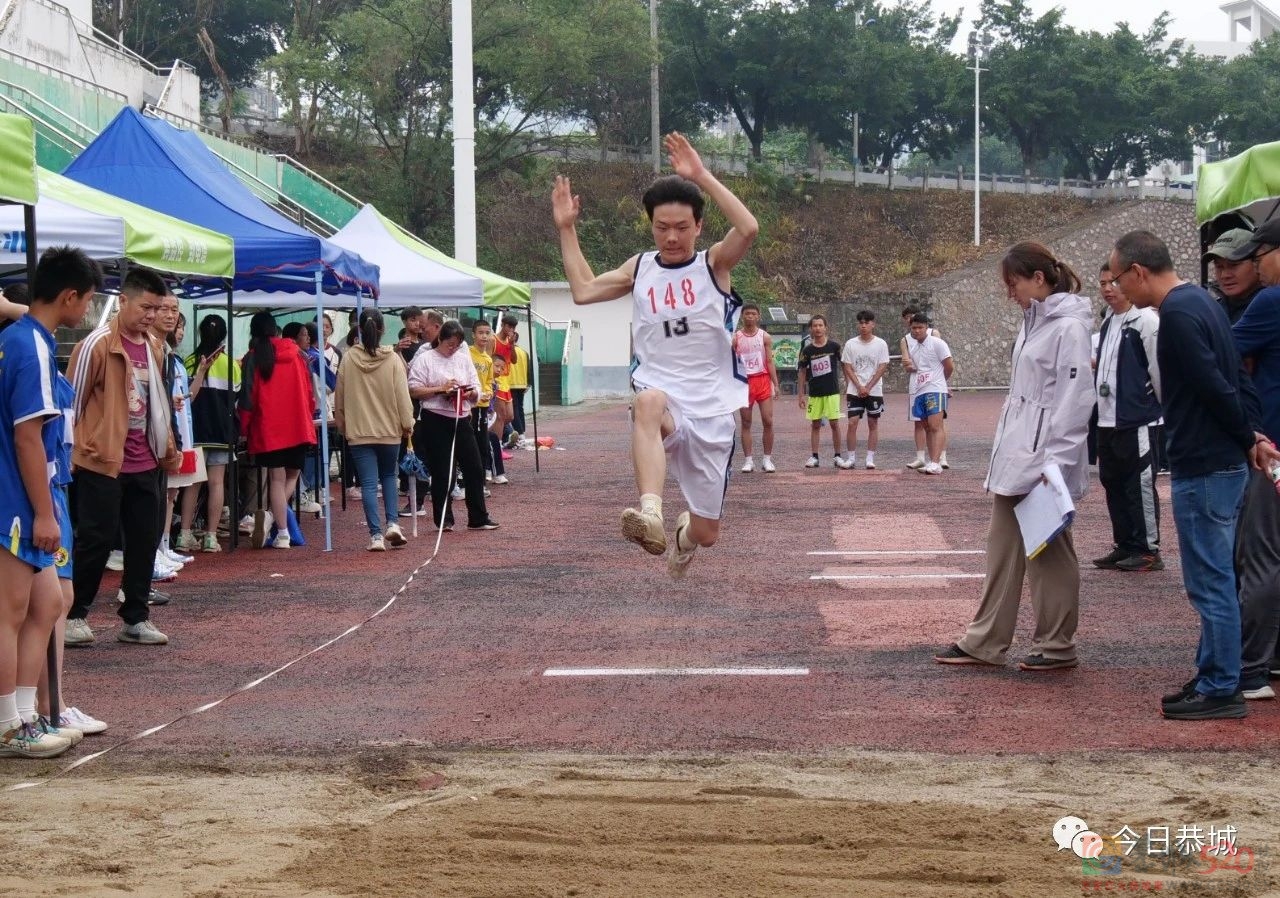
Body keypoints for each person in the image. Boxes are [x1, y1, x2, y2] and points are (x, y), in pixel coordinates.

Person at [552, 131, 759, 578]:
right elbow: (584, 290)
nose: (671, 237)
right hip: (663, 393)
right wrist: (567, 228)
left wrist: (701, 174)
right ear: (650, 225)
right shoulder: (640, 267)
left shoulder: (713, 265)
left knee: (708, 533)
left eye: (682, 228)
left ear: (699, 227)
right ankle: (651, 513)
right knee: (646, 402)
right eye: (661, 227)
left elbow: (749, 229)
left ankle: (684, 539)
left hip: (712, 408)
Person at [1110, 229, 1276, 721]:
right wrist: (1253, 433)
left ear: (1138, 272)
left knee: (1210, 581)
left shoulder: (1178, 314)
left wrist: (1249, 437)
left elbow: (1211, 386)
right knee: (1218, 574)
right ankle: (1212, 673)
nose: (1118, 288)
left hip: (1203, 463)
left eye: (1119, 278)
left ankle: (1222, 685)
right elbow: (1237, 379)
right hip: (1222, 459)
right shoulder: (1204, 304)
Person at [935, 242, 1093, 672]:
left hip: (1042, 460)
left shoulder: (1068, 329)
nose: (1010, 293)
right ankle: (986, 639)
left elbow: (1075, 400)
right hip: (1018, 455)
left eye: (1014, 283)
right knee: (1002, 548)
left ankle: (1057, 644)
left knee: (1050, 552)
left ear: (1038, 279)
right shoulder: (1034, 322)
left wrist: (1055, 465)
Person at [0, 248, 104, 758]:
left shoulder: (22, 339)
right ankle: (10, 724)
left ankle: (28, 715)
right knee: (10, 612)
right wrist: (44, 512)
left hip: (24, 495)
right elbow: (27, 436)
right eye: (86, 300)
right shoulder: (30, 346)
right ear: (69, 297)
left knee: (45, 604)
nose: (86, 310)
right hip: (17, 499)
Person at [65, 266, 179, 648]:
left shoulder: (153, 346)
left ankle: (135, 617)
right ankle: (74, 614)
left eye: (157, 308)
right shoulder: (95, 344)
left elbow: (156, 406)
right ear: (123, 300)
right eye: (145, 307)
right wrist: (72, 456)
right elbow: (72, 404)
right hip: (102, 460)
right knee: (95, 540)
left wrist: (166, 448)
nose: (151, 315)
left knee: (145, 540)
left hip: (144, 459)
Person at [1229, 217, 1280, 701]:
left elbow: (1226, 351)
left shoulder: (1271, 300)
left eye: (1259, 254)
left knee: (1261, 556)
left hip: (1275, 452)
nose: (1255, 266)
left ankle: (1251, 669)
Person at [1092, 263, 1163, 573]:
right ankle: (1124, 543)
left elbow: (1159, 370)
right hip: (1108, 419)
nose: (1108, 288)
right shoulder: (1109, 321)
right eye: (1103, 283)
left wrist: (1155, 405)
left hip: (1138, 419)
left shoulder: (1145, 320)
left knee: (1140, 484)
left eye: (1114, 282)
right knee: (1113, 481)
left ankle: (1148, 549)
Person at [406, 320, 499, 531]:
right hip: (435, 419)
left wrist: (469, 393)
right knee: (442, 470)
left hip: (462, 416)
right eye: (450, 344)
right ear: (440, 339)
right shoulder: (425, 359)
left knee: (474, 467)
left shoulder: (463, 359)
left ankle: (478, 517)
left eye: (457, 345)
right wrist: (440, 389)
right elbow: (414, 389)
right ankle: (444, 519)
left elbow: (476, 387)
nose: (453, 349)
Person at [334, 309, 415, 551]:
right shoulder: (392, 359)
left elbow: (339, 397)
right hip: (389, 429)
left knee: (368, 484)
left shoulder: (348, 359)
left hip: (358, 431)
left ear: (358, 328)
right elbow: (403, 396)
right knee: (389, 477)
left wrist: (343, 425)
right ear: (382, 330)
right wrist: (407, 424)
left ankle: (376, 536)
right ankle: (393, 523)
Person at [238, 311, 317, 550]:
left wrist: (243, 426)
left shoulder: (252, 358)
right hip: (298, 424)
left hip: (268, 428)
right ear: (275, 330)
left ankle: (281, 530)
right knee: (291, 477)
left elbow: (247, 398)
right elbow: (309, 393)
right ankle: (274, 518)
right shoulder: (297, 355)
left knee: (276, 478)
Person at [180, 314, 238, 552]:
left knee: (192, 483)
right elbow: (235, 400)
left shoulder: (189, 361)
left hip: (195, 430)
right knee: (216, 483)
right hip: (222, 432)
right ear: (223, 335)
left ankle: (184, 533)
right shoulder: (231, 364)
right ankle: (211, 537)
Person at [151, 298, 200, 574]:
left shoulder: (173, 358)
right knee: (161, 494)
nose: (174, 323)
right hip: (159, 437)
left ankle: (163, 546)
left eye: (177, 315)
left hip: (177, 432)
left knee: (171, 493)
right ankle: (154, 551)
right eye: (165, 310)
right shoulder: (155, 351)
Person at [840, 310, 890, 469]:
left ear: (873, 324)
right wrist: (859, 386)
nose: (863, 325)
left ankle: (870, 458)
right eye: (861, 322)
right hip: (854, 389)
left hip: (874, 390)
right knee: (852, 422)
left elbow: (882, 366)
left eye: (866, 322)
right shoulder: (850, 344)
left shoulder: (881, 344)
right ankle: (851, 457)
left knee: (872, 422)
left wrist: (868, 386)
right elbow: (847, 366)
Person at [900, 307, 949, 470]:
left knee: (936, 425)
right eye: (914, 327)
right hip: (920, 389)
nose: (917, 330)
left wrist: (942, 383)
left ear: (926, 328)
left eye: (920, 327)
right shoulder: (913, 348)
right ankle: (930, 460)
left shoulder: (937, 343)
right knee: (926, 426)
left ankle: (937, 462)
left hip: (935, 389)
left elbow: (949, 365)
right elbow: (914, 368)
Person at [798, 314, 848, 469]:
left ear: (826, 327)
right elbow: (801, 371)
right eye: (815, 326)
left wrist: (849, 385)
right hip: (815, 393)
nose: (818, 328)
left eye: (820, 325)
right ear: (810, 329)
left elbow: (845, 365)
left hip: (832, 391)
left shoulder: (834, 346)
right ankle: (814, 456)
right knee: (815, 424)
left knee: (834, 423)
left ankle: (838, 455)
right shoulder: (807, 350)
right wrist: (801, 394)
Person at [734, 303, 779, 473]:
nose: (750, 317)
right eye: (747, 314)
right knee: (746, 422)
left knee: (768, 420)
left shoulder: (765, 337)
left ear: (758, 316)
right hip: (744, 383)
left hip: (762, 380)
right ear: (743, 316)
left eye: (753, 314)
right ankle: (748, 460)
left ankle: (767, 459)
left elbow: (769, 361)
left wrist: (776, 383)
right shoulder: (736, 338)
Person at [1207, 228, 1264, 325]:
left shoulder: (1271, 309)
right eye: (1219, 266)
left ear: (1257, 262)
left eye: (1233, 265)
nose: (1224, 275)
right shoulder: (1212, 310)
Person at [469, 319, 498, 481]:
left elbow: (489, 381)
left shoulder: (488, 359)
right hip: (468, 406)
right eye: (481, 332)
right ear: (473, 335)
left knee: (482, 443)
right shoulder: (466, 353)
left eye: (487, 333)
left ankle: (481, 479)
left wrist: (488, 392)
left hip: (482, 407)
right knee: (470, 443)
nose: (484, 336)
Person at [508, 330, 531, 442]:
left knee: (514, 409)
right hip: (522, 383)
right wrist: (528, 384)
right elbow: (529, 369)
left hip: (511, 383)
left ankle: (520, 432)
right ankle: (523, 431)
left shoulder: (509, 351)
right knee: (520, 408)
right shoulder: (524, 352)